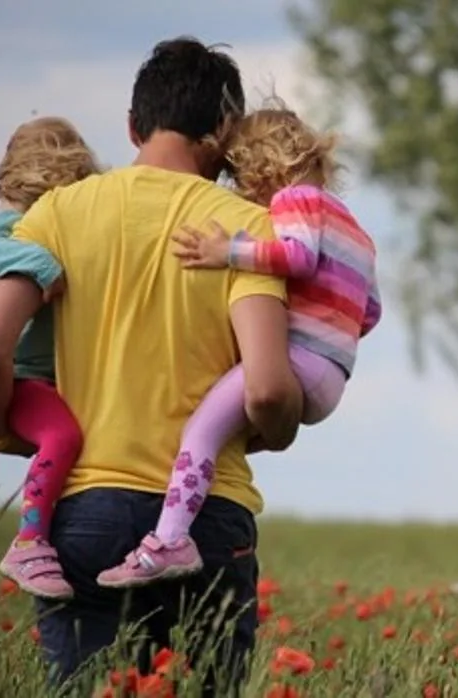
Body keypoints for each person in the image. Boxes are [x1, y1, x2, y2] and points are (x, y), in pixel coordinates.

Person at [0, 37, 302, 693]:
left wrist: (1, 426)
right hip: (207, 520)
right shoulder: (245, 229)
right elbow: (266, 389)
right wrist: (279, 428)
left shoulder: (57, 213)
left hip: (82, 512)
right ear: (225, 132)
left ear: (132, 125)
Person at [97, 104, 382, 588]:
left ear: (263, 165)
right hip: (333, 374)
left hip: (299, 361)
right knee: (226, 431)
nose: (240, 191)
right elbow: (369, 312)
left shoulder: (295, 200)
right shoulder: (357, 230)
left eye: (239, 176)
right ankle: (184, 518)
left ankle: (169, 540)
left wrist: (225, 252)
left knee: (200, 432)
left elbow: (296, 257)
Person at [0, 116, 97, 600]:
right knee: (63, 435)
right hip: (18, 378)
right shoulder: (3, 233)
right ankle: (29, 540)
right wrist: (44, 265)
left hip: (43, 377)